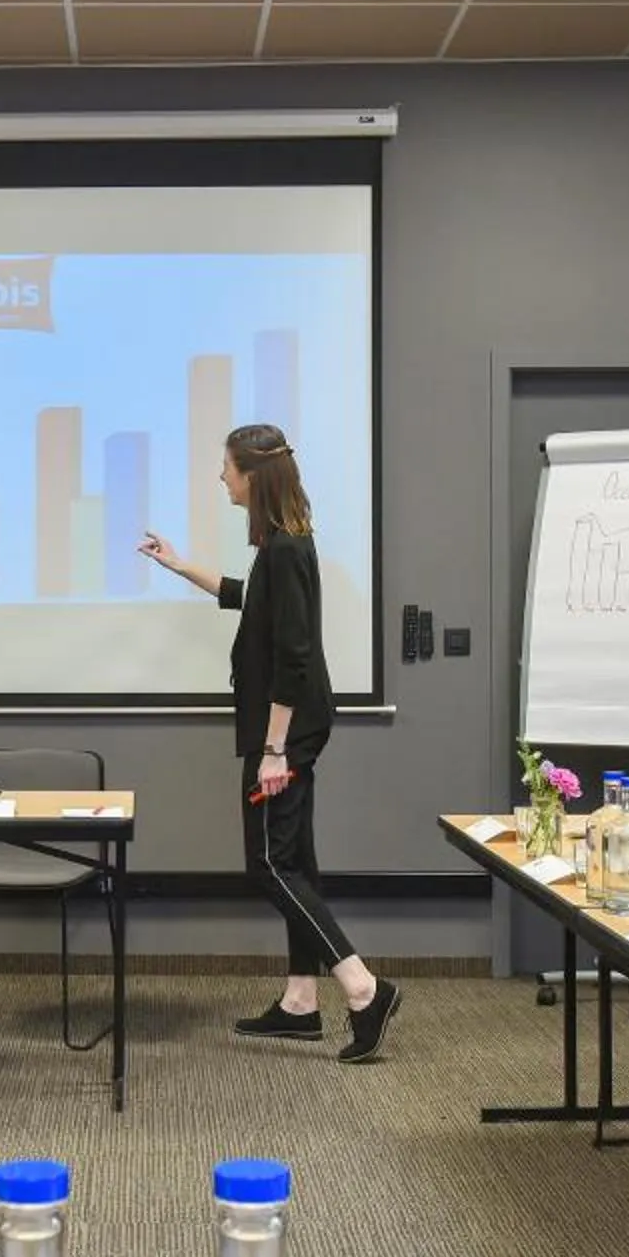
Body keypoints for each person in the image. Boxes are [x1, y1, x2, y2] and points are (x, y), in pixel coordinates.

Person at [138, 423, 399, 1063]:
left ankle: (364, 990)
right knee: (295, 862)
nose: (220, 478)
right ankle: (301, 1003)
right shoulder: (283, 544)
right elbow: (246, 599)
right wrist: (179, 565)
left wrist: (273, 749)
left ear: (252, 475)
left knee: (270, 865)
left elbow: (294, 658)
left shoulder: (285, 549)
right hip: (293, 726)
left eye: (225, 468)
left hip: (285, 731)